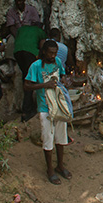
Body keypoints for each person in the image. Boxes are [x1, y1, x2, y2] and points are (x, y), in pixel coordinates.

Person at [24, 40, 71, 185]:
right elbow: (26, 86)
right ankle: (50, 169)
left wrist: (65, 80)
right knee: (47, 137)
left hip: (58, 105)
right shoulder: (36, 66)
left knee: (61, 137)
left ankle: (60, 165)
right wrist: (45, 85)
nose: (53, 55)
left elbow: (62, 75)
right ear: (44, 52)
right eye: (50, 53)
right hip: (45, 107)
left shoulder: (57, 61)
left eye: (55, 53)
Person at [14, 22, 46, 121]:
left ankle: (28, 106)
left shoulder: (22, 29)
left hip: (17, 52)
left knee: (26, 76)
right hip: (31, 53)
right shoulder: (40, 32)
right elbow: (42, 48)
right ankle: (26, 111)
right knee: (31, 80)